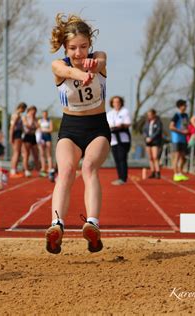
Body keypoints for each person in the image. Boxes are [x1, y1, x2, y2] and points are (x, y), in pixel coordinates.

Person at [45, 13, 110, 254]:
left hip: (97, 128)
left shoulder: (100, 58)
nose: (79, 53)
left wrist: (94, 67)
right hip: (69, 128)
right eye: (73, 48)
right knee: (66, 171)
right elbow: (67, 72)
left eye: (83, 47)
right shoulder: (59, 66)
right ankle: (56, 226)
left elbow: (101, 62)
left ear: (90, 45)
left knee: (89, 168)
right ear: (65, 47)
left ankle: (92, 223)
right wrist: (82, 74)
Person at [107, 95, 132, 184]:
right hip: (113, 140)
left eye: (118, 102)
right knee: (117, 159)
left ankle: (123, 178)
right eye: (115, 102)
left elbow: (127, 123)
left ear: (121, 103)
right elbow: (108, 126)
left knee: (122, 158)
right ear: (112, 103)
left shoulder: (125, 111)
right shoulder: (109, 113)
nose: (116, 103)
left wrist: (120, 126)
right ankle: (120, 177)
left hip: (123, 139)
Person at [169, 99, 189, 182]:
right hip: (176, 138)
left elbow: (186, 126)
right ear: (180, 107)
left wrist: (187, 131)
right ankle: (175, 174)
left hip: (183, 139)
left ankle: (180, 172)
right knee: (176, 156)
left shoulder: (186, 116)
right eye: (184, 105)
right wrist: (181, 131)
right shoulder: (176, 115)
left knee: (183, 157)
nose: (185, 107)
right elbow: (171, 126)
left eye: (186, 105)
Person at [9, 102, 27, 178]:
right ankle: (13, 170)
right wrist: (11, 137)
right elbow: (12, 127)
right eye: (24, 109)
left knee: (16, 153)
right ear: (21, 108)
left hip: (17, 133)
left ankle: (14, 170)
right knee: (16, 153)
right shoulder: (16, 115)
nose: (24, 111)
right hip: (16, 133)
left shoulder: (17, 115)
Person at [142, 109, 162, 179]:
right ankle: (152, 171)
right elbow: (144, 130)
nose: (149, 116)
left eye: (150, 115)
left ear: (154, 114)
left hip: (155, 142)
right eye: (148, 115)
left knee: (155, 157)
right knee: (150, 157)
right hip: (147, 141)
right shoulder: (147, 122)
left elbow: (158, 131)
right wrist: (146, 137)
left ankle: (158, 172)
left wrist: (151, 138)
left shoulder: (158, 122)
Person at [21, 105, 40, 177]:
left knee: (36, 154)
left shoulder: (35, 118)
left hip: (33, 136)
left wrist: (33, 124)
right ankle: (26, 170)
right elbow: (27, 125)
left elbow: (38, 126)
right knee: (26, 154)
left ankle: (38, 170)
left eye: (35, 112)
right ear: (29, 111)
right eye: (33, 111)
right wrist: (32, 119)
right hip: (26, 136)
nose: (34, 113)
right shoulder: (25, 117)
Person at [38, 110, 54, 177]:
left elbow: (51, 129)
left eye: (46, 114)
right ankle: (43, 168)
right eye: (43, 114)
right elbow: (38, 129)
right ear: (42, 114)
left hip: (48, 137)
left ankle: (50, 168)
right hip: (41, 137)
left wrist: (43, 129)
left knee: (48, 153)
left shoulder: (49, 121)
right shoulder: (39, 121)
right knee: (42, 153)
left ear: (47, 114)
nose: (44, 115)